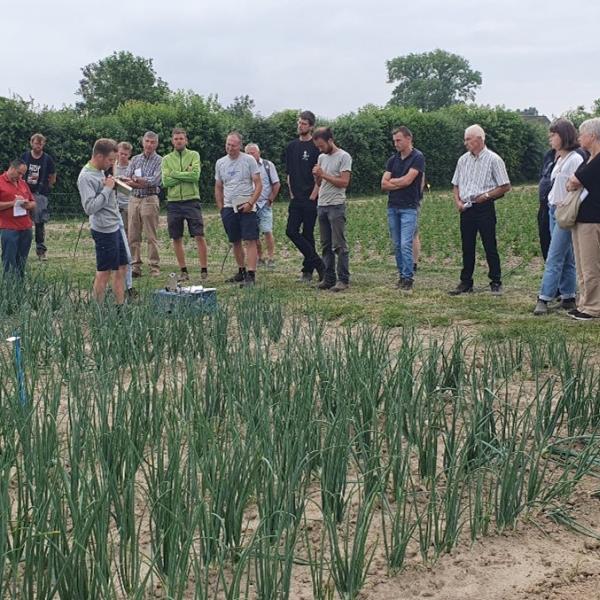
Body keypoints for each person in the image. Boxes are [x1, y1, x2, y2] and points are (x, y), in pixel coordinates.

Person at [449, 124, 511, 296]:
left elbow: (505, 186)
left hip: (484, 207)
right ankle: (466, 281)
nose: (465, 142)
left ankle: (496, 281)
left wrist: (486, 195)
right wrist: (458, 202)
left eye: (468, 139)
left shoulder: (494, 159)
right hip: (466, 208)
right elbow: (456, 185)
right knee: (467, 245)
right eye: (465, 139)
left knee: (489, 244)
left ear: (479, 139)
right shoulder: (463, 160)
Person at [533, 120, 583, 315]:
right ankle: (569, 296)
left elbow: (579, 184)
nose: (550, 138)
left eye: (553, 134)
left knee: (554, 256)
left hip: (564, 212)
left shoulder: (575, 159)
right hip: (553, 210)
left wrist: (568, 199)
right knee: (566, 256)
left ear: (564, 136)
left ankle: (544, 298)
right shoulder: (559, 158)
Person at [77, 139, 127, 305]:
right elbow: (89, 207)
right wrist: (107, 188)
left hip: (115, 225)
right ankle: (97, 310)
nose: (112, 163)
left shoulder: (101, 171)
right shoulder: (85, 177)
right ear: (98, 156)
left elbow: (106, 188)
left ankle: (120, 308)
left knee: (121, 268)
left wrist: (115, 184)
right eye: (110, 160)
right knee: (104, 272)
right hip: (103, 229)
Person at [215, 131, 262, 287]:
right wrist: (222, 208)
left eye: (233, 145)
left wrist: (251, 203)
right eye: (228, 144)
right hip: (229, 207)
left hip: (246, 204)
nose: (230, 148)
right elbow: (219, 186)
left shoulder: (249, 160)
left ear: (240, 145)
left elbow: (258, 184)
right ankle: (241, 271)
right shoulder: (220, 163)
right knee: (235, 240)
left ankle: (251, 273)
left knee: (250, 239)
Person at [381, 126, 425, 291]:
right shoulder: (393, 160)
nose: (396, 144)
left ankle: (408, 277)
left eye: (398, 140)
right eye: (394, 141)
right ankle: (401, 275)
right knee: (397, 244)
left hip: (409, 207)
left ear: (408, 139)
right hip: (393, 206)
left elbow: (408, 180)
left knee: (406, 242)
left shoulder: (417, 157)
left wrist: (393, 182)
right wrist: (397, 182)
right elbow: (383, 184)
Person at [161, 128, 208, 282]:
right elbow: (165, 181)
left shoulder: (194, 155)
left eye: (181, 138)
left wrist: (174, 173)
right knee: (176, 237)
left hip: (191, 199)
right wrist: (184, 175)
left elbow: (195, 176)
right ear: (172, 141)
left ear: (186, 140)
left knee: (199, 235)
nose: (178, 141)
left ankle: (204, 269)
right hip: (174, 202)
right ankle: (183, 270)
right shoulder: (166, 159)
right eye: (176, 139)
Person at [566, 117, 600, 320]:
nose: (579, 138)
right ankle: (584, 303)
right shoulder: (589, 158)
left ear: (593, 136)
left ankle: (594, 306)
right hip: (581, 218)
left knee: (590, 264)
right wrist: (573, 182)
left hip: (593, 219)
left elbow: (576, 180)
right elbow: (572, 181)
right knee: (581, 264)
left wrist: (574, 182)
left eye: (582, 134)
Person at [285, 111, 325, 283]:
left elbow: (320, 174)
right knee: (291, 231)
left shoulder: (315, 147)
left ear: (311, 126)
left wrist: (313, 194)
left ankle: (308, 271)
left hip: (311, 197)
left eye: (304, 123)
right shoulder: (291, 147)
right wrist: (292, 193)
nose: (300, 126)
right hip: (296, 198)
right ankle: (319, 264)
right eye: (299, 122)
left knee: (308, 234)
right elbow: (289, 173)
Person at [312, 127, 352, 292]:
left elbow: (344, 182)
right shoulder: (321, 157)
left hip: (336, 205)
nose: (320, 149)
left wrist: (324, 174)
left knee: (339, 244)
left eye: (321, 145)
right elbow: (320, 184)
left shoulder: (343, 156)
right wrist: (317, 176)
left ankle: (343, 279)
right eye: (318, 147)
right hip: (322, 205)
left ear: (330, 141)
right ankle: (329, 279)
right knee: (325, 244)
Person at [125, 131, 162, 277]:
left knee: (151, 236)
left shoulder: (160, 160)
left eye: (153, 142)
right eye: (147, 141)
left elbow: (156, 180)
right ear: (143, 142)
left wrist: (138, 181)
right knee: (133, 235)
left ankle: (154, 267)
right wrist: (140, 182)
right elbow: (127, 177)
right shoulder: (135, 159)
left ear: (156, 144)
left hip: (149, 199)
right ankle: (135, 266)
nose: (149, 145)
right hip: (134, 199)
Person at [245, 143, 281, 267]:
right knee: (253, 233)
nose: (250, 155)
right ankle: (260, 257)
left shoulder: (268, 165)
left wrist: (270, 199)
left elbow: (276, 184)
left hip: (264, 203)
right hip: (250, 205)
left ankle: (271, 257)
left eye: (252, 152)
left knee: (267, 231)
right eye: (248, 153)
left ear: (258, 153)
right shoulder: (244, 166)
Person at [21, 133, 56, 261]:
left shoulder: (47, 159)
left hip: (40, 193)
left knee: (39, 223)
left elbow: (52, 175)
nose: (38, 146)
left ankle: (41, 251)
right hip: (24, 192)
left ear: (43, 144)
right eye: (36, 143)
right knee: (23, 221)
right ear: (31, 143)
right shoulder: (25, 156)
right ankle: (22, 250)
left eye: (41, 144)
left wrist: (47, 188)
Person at [0, 159, 36, 279]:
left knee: (21, 260)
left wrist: (28, 205)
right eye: (19, 173)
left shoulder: (22, 183)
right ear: (12, 168)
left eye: (23, 174)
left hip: (25, 227)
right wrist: (12, 203)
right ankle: (10, 290)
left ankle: (20, 289)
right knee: (9, 260)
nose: (21, 176)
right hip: (9, 228)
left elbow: (33, 202)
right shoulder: (0, 182)